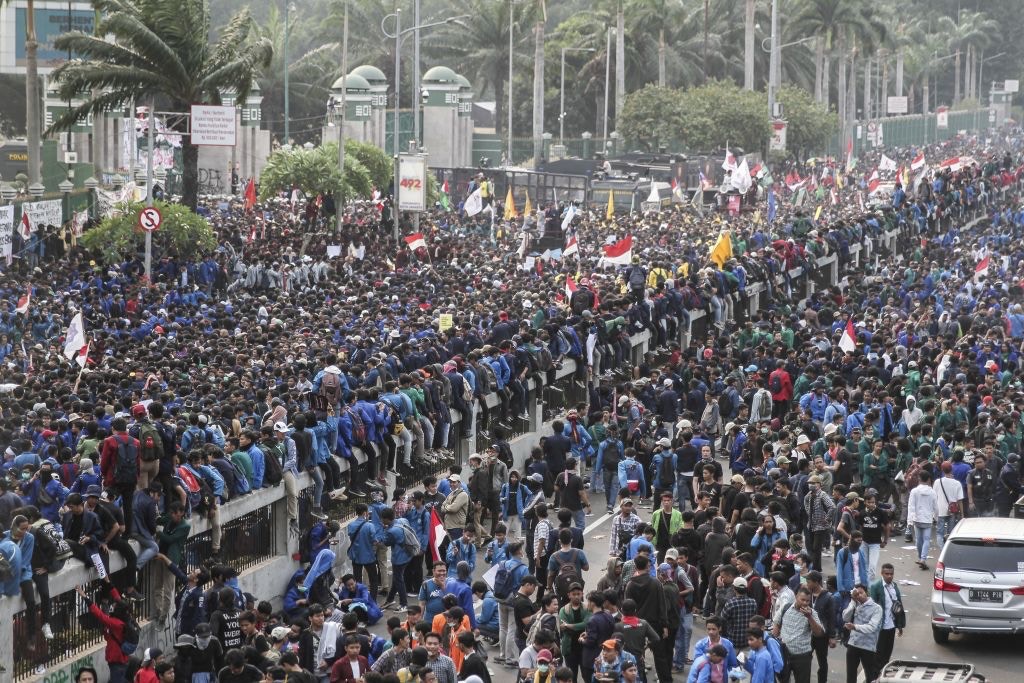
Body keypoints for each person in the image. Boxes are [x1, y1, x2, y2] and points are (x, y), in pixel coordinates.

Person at [771, 586, 823, 683]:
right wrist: (775, 640)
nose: (805, 603)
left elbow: (818, 633)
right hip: (784, 654)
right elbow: (776, 623)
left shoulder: (812, 613)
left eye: (807, 601)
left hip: (802, 656)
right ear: (796, 597)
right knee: (782, 680)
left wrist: (809, 617)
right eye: (802, 600)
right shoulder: (786, 607)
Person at [842, 583, 883, 683]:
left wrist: (855, 627)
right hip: (853, 644)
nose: (859, 595)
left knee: (870, 676)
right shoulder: (855, 604)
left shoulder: (876, 608)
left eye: (861, 593)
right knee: (850, 676)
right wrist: (852, 602)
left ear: (867, 593)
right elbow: (845, 617)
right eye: (857, 593)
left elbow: (872, 627)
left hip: (868, 647)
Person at [868, 564, 904, 669]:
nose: (889, 576)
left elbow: (899, 606)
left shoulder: (894, 586)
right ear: (882, 574)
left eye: (891, 574)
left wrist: (900, 625)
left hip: (891, 626)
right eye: (887, 574)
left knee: (887, 652)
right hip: (881, 627)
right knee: (878, 654)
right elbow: (872, 607)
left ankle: (882, 674)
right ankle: (876, 676)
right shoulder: (876, 586)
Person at [907, 469, 938, 570]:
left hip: (917, 518)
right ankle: (923, 559)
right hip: (927, 519)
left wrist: (910, 520)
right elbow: (935, 507)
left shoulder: (914, 491)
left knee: (918, 540)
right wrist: (936, 517)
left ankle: (920, 557)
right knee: (926, 540)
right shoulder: (932, 492)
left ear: (919, 479)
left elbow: (911, 506)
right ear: (929, 479)